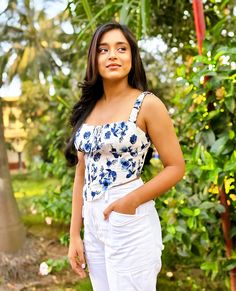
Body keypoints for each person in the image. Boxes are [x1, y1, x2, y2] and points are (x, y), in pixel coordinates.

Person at [65, 21, 185, 291]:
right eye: (104, 49)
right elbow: (80, 176)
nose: (113, 55)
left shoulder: (147, 104)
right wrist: (75, 234)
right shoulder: (87, 109)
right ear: (94, 58)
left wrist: (130, 201)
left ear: (132, 56)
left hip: (129, 217)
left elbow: (176, 166)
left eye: (121, 48)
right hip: (93, 222)